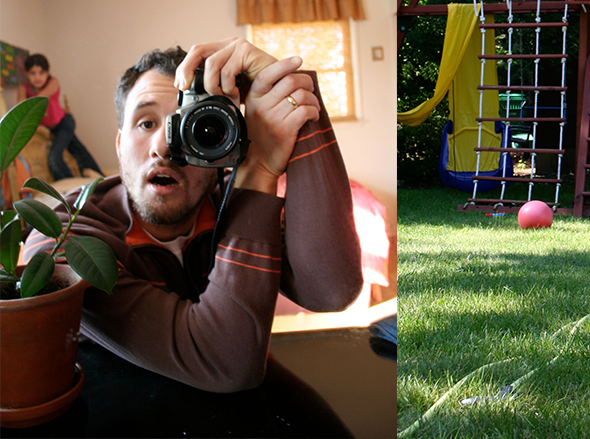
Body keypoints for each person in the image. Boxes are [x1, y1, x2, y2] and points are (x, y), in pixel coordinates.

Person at [22, 39, 363, 395]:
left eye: (194, 124)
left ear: (227, 138)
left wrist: (291, 92)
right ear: (119, 144)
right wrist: (258, 170)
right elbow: (227, 363)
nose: (165, 145)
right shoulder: (64, 234)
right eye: (146, 122)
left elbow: (331, 290)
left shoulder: (234, 199)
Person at [18, 53, 103, 181]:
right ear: (26, 73)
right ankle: (97, 179)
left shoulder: (53, 82)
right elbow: (20, 110)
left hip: (64, 123)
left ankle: (74, 185)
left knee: (54, 157)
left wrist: (29, 99)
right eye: (32, 73)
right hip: (51, 129)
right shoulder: (23, 88)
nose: (37, 77)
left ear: (47, 73)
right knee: (79, 151)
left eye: (41, 73)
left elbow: (39, 99)